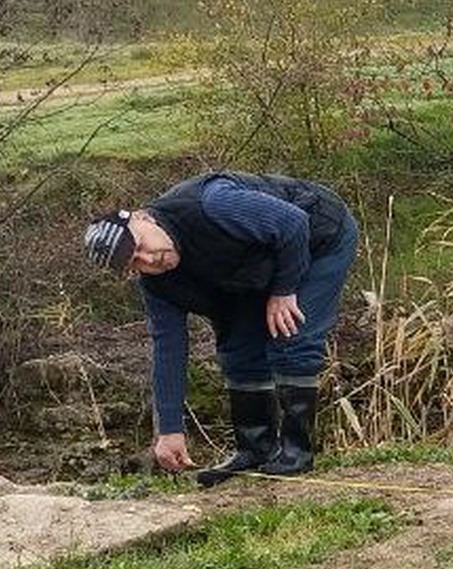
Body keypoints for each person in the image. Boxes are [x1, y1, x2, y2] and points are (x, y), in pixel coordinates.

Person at [81, 172, 358, 486]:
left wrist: (283, 291)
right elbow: (168, 348)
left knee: (291, 335)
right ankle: (255, 450)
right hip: (250, 267)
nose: (149, 259)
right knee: (238, 348)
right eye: (136, 263)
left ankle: (297, 453)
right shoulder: (159, 286)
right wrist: (170, 430)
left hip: (319, 235)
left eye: (141, 245)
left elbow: (293, 222)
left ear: (143, 218)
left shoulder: (211, 205)